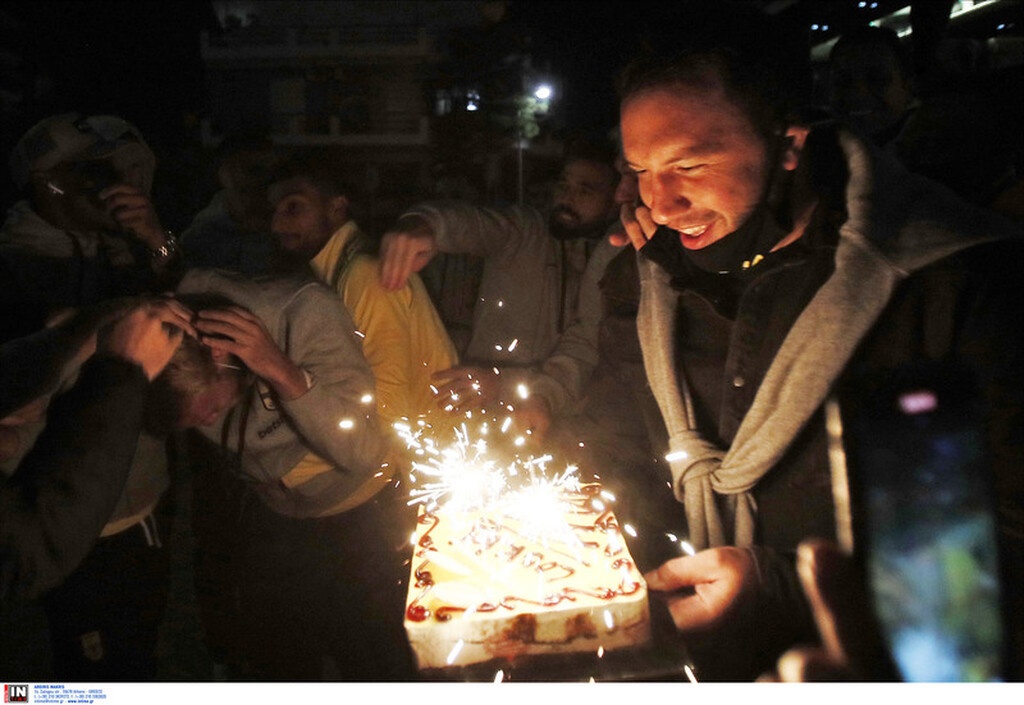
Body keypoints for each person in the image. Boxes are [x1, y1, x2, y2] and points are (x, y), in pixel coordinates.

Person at [614, 5, 1022, 681]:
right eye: (642, 169)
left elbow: (1002, 549)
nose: (660, 201)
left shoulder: (952, 286)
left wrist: (784, 586)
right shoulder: (649, 279)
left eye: (688, 164)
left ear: (790, 145)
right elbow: (620, 430)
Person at [175, 266, 413, 681]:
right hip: (278, 513)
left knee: (373, 660)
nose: (209, 422)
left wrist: (281, 371)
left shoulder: (304, 312)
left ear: (220, 356)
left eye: (210, 409)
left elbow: (363, 451)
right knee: (280, 659)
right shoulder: (174, 338)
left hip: (360, 511)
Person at [378, 136, 621, 437]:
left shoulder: (616, 261)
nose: (568, 197)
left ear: (614, 202)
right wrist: (426, 225)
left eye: (585, 191)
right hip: (481, 411)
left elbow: (587, 343)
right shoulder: (524, 232)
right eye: (563, 185)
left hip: (567, 423)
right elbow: (476, 225)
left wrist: (529, 391)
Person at [1, 299, 191, 603]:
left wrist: (99, 327)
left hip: (119, 514)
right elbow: (29, 553)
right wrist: (122, 371)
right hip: (81, 525)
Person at [266, 148, 458, 427]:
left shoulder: (364, 275)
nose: (277, 224)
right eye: (274, 211)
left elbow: (387, 405)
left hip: (431, 458)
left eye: (293, 207)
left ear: (336, 206)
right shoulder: (342, 269)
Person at [1, 113, 183, 343]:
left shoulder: (126, 246)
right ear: (47, 184)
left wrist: (158, 242)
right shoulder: (12, 263)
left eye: (129, 169)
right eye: (95, 170)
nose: (122, 181)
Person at [180, 132, 279, 276]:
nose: (265, 181)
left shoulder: (285, 228)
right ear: (225, 174)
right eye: (254, 170)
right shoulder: (200, 237)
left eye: (274, 174)